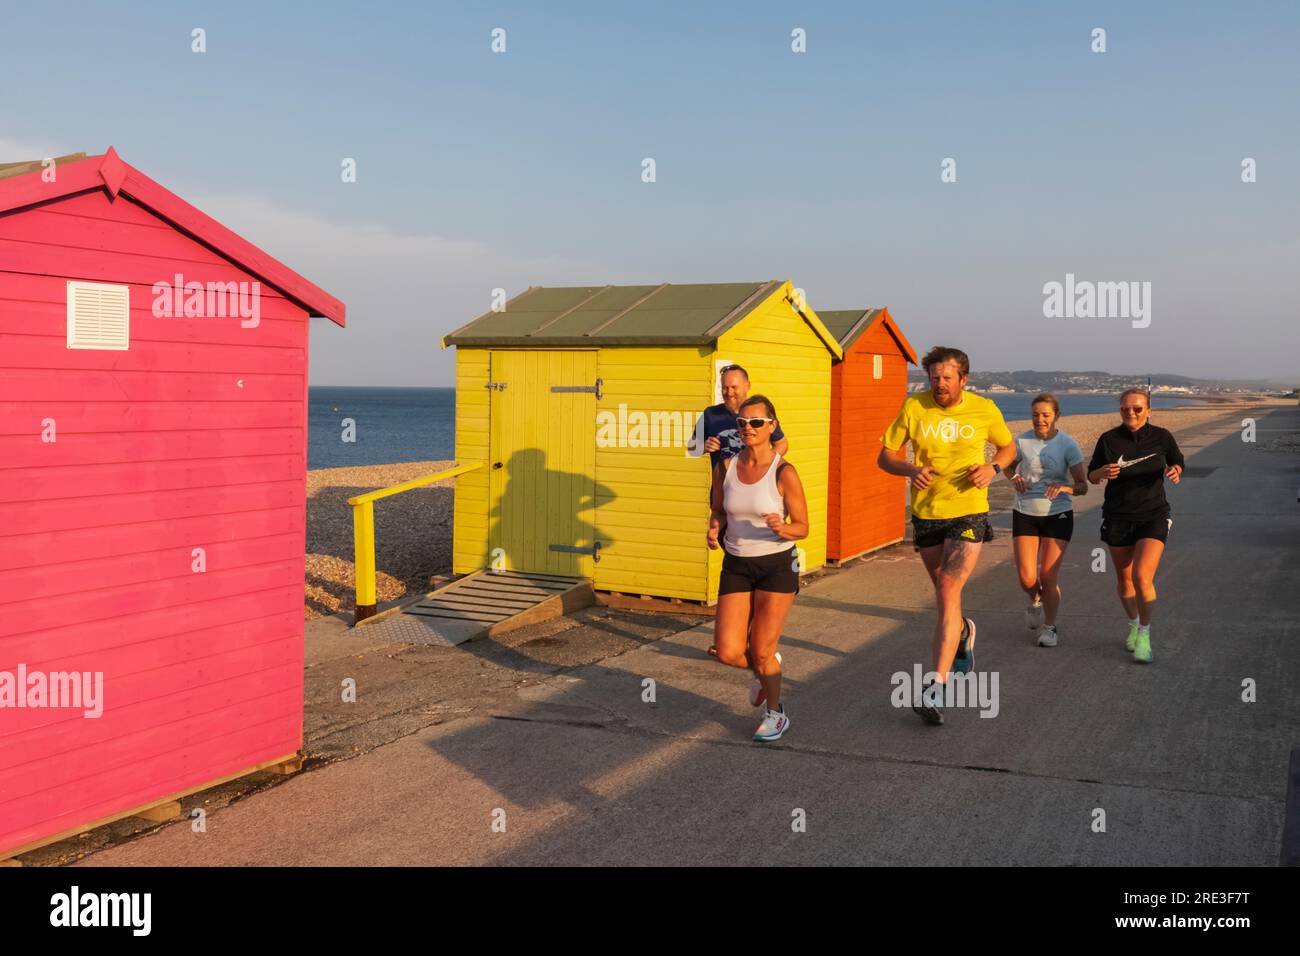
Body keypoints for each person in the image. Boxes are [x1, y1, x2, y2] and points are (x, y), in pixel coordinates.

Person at [876, 347, 1016, 725]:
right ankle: (964, 630)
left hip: (968, 510)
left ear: (963, 379)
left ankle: (935, 688)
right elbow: (885, 455)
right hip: (927, 514)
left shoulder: (984, 409)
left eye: (947, 378)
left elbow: (1008, 446)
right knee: (943, 592)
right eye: (934, 377)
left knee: (949, 588)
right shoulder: (914, 407)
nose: (939, 384)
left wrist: (994, 468)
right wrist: (910, 469)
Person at [706, 395, 808, 742]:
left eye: (756, 423)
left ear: (772, 426)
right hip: (736, 562)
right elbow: (719, 509)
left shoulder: (784, 472)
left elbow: (804, 527)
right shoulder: (726, 467)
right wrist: (714, 526)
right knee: (728, 651)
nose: (747, 428)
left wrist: (784, 528)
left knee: (761, 650)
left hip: (776, 565)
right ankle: (766, 668)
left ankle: (776, 713)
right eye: (742, 423)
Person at [1087, 388, 1184, 663]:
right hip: (1118, 516)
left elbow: (1178, 460)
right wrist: (1101, 473)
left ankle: (1145, 633)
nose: (1131, 412)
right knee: (1125, 580)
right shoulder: (1109, 439)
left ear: (1149, 411)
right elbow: (1091, 475)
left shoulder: (1162, 437)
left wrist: (1176, 470)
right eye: (1125, 409)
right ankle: (1133, 623)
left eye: (1137, 409)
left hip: (1153, 514)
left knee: (1142, 577)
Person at [1007, 393, 1087, 647]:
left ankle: (1050, 627)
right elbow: (1007, 466)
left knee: (1048, 575)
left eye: (1045, 415)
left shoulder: (1068, 445)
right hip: (1025, 512)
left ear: (1056, 416)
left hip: (1058, 514)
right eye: (1035, 415)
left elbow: (1082, 486)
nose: (1039, 420)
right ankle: (1036, 599)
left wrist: (1063, 488)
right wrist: (1013, 477)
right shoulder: (1021, 441)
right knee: (1026, 578)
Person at [701, 365, 788, 467]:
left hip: (754, 481)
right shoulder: (710, 414)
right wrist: (704, 447)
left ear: (747, 386)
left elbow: (782, 444)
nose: (729, 393)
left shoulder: (760, 413)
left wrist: (763, 465)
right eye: (725, 388)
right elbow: (692, 448)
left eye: (734, 387)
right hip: (721, 482)